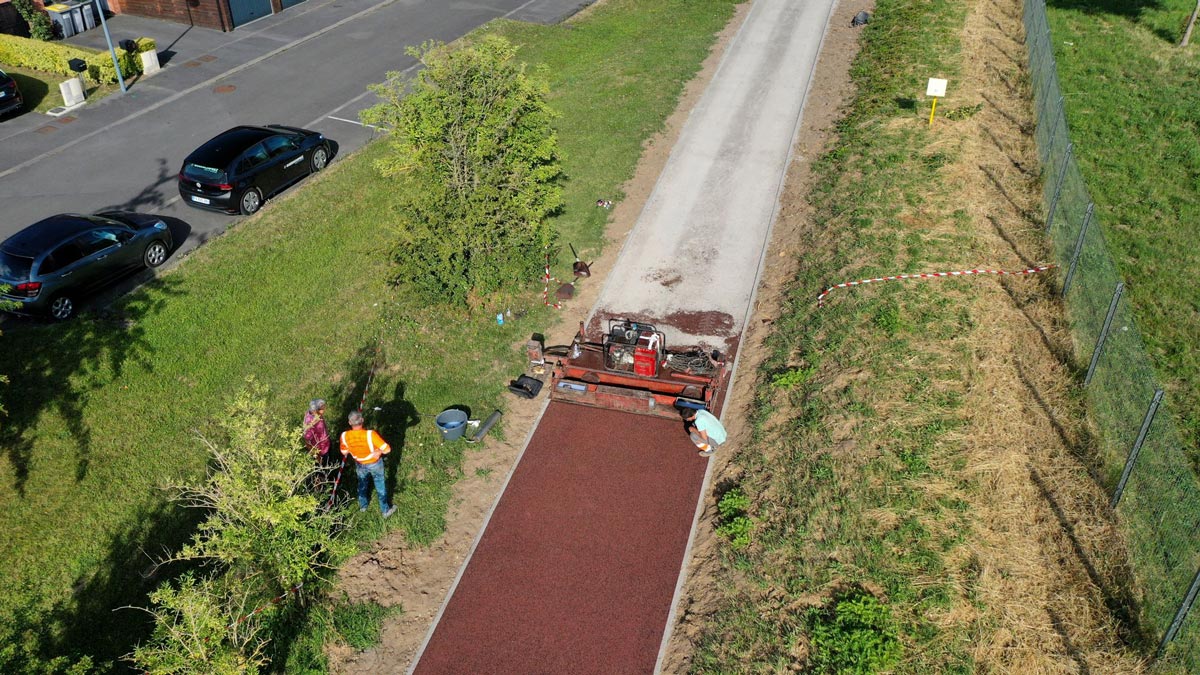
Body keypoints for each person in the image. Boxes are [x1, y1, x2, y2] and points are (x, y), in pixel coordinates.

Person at [339, 410, 397, 517]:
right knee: (380, 485)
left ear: (349, 422)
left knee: (362, 484)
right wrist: (379, 451)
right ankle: (385, 510)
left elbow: (344, 452)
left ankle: (363, 506)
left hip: (360, 464)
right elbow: (387, 449)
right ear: (362, 420)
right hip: (375, 464)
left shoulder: (344, 436)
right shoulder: (371, 435)